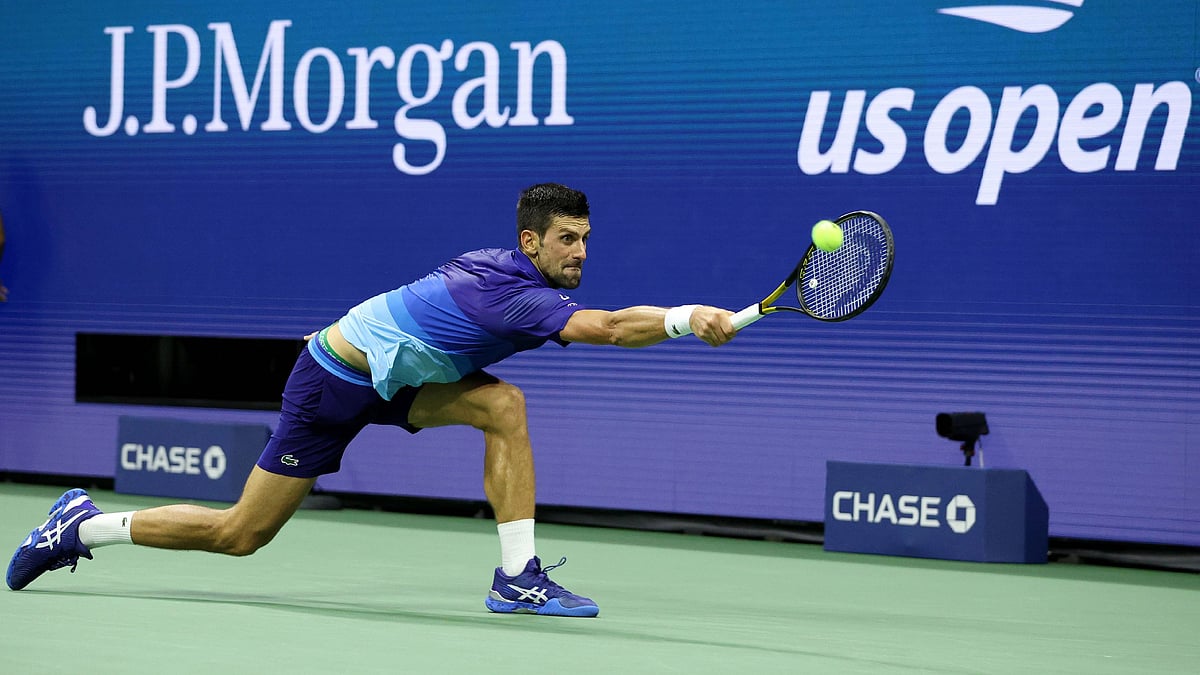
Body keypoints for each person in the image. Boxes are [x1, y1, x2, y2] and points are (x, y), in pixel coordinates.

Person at [6, 183, 737, 616]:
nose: (580, 252)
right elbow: (606, 329)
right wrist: (684, 317)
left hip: (394, 375)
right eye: (567, 240)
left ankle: (517, 578)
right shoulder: (510, 295)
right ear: (531, 241)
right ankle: (82, 525)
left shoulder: (515, 273)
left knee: (503, 405)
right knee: (241, 533)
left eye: (585, 240)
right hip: (334, 382)